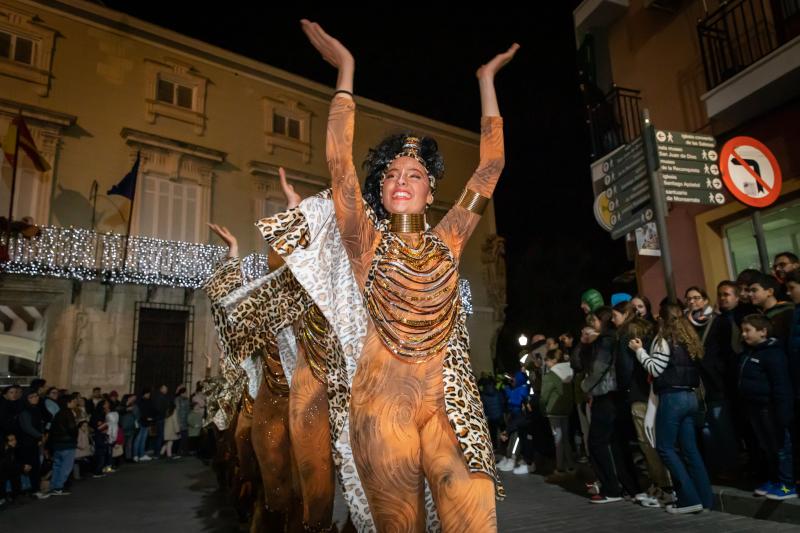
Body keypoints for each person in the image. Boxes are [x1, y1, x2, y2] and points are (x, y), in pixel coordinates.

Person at [300, 19, 517, 530]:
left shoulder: (451, 238)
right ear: (381, 190)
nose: (401, 180)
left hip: (449, 400)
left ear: (431, 190)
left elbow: (490, 168)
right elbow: (338, 164)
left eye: (414, 174)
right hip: (381, 404)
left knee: (474, 519)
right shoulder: (365, 240)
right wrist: (346, 72)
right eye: (392, 175)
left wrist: (486, 81)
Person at [630, 303, 713, 514]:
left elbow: (655, 369)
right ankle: (705, 498)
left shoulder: (664, 339)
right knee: (690, 450)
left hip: (672, 398)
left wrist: (639, 351)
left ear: (661, 319)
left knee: (665, 448)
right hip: (690, 396)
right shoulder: (687, 339)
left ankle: (688, 498)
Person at [739, 314, 796, 500]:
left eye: (748, 330)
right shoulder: (750, 352)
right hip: (754, 407)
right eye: (743, 330)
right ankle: (774, 480)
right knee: (767, 447)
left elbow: (781, 385)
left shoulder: (773, 353)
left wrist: (783, 413)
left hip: (769, 408)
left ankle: (788, 485)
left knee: (780, 447)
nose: (744, 334)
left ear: (763, 331)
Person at [541, 349, 575, 476]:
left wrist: (542, 407)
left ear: (553, 360)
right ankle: (570, 465)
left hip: (553, 410)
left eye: (548, 361)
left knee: (558, 438)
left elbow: (545, 395)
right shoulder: (569, 371)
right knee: (566, 438)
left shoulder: (550, 375)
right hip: (566, 409)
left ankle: (560, 466)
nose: (546, 363)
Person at [49, 393, 78, 495]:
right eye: (74, 401)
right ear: (68, 403)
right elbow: (72, 429)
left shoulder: (58, 413)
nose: (75, 403)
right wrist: (75, 436)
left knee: (57, 465)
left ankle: (54, 486)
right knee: (66, 467)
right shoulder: (68, 413)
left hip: (57, 444)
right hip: (67, 444)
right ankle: (59, 487)